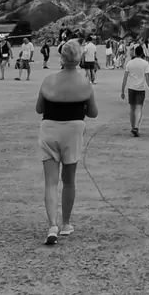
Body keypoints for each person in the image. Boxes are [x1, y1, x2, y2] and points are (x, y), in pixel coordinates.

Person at [36, 40, 98, 245]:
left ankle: (52, 224)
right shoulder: (84, 83)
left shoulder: (48, 81)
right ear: (79, 59)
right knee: (69, 180)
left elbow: (39, 109)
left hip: (50, 128)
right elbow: (93, 112)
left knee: (50, 182)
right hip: (73, 130)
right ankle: (66, 223)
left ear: (61, 57)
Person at [120, 44, 149, 136]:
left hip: (131, 88)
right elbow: (147, 78)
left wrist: (122, 90)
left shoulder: (130, 63)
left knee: (132, 109)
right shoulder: (145, 63)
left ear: (135, 53)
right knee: (139, 108)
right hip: (140, 88)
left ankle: (133, 127)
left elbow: (125, 78)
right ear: (142, 53)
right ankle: (136, 126)